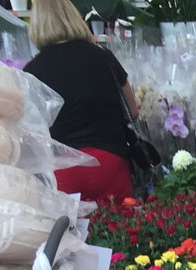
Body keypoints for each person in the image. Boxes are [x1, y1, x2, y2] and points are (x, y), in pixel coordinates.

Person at [25, 0, 137, 202]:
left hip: (64, 169)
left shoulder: (32, 70)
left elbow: (31, 131)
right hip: (111, 162)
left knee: (70, 223)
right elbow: (133, 111)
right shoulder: (104, 56)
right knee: (122, 221)